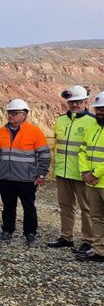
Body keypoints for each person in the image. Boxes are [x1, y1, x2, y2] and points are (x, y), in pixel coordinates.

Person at [48, 86, 96, 253]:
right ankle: (66, 237)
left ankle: (89, 241)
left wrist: (91, 172)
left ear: (85, 101)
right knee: (66, 206)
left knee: (87, 209)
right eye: (72, 102)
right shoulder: (61, 120)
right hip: (62, 172)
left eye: (78, 101)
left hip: (83, 174)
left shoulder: (93, 121)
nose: (75, 105)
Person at [0, 99, 50, 246]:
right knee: (8, 206)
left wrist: (41, 175)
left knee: (29, 207)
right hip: (6, 178)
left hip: (26, 178)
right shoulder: (1, 131)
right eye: (9, 113)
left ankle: (30, 234)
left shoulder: (34, 131)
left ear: (24, 115)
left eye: (15, 113)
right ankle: (7, 230)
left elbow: (44, 155)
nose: (11, 115)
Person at [76, 91, 104, 261]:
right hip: (93, 183)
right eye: (98, 109)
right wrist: (86, 172)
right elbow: (83, 151)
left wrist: (94, 173)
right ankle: (100, 250)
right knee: (97, 217)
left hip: (98, 179)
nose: (99, 112)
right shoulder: (93, 128)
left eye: (102, 109)